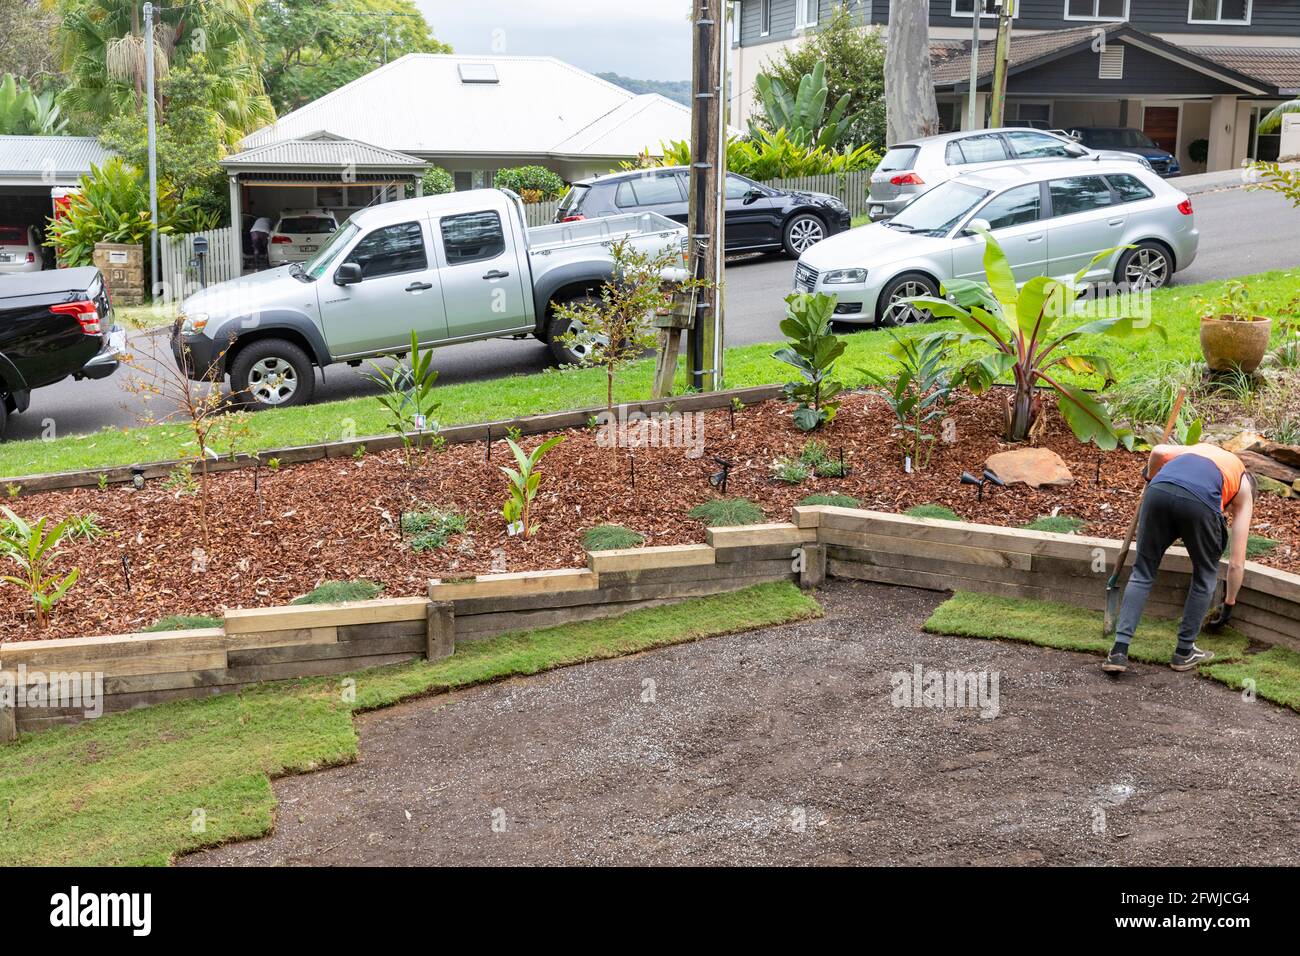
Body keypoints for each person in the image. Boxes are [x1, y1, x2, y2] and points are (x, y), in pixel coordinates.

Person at [1102, 443, 1255, 674]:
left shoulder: (1202, 449)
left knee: (1143, 571)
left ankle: (1119, 651)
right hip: (1200, 503)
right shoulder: (1243, 486)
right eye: (1231, 509)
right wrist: (1229, 602)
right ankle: (1184, 652)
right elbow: (1236, 562)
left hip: (1159, 491)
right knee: (1205, 575)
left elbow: (1159, 453)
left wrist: (1151, 479)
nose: (1229, 511)